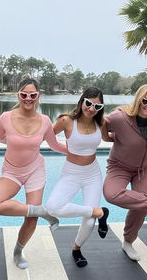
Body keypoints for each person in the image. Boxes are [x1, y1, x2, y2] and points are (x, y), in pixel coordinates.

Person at [0, 77, 67, 269]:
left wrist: (76, 151)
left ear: (38, 96)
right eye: (24, 94)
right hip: (11, 171)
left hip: (35, 170)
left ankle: (18, 251)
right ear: (18, 95)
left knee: (31, 217)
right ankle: (40, 210)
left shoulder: (45, 121)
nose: (28, 98)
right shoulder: (6, 117)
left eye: (32, 95)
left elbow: (54, 145)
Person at [102, 84, 147, 261]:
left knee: (140, 207)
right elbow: (101, 125)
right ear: (138, 99)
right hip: (119, 166)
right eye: (145, 100)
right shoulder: (120, 117)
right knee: (111, 194)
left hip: (145, 167)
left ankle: (128, 242)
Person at [45, 87, 110, 267]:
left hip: (92, 174)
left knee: (89, 223)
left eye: (97, 106)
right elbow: (48, 137)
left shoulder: (101, 123)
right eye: (88, 103)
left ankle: (77, 249)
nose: (91, 108)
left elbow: (109, 138)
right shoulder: (66, 121)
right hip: (71, 173)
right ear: (82, 101)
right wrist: (64, 149)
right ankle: (100, 212)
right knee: (53, 207)